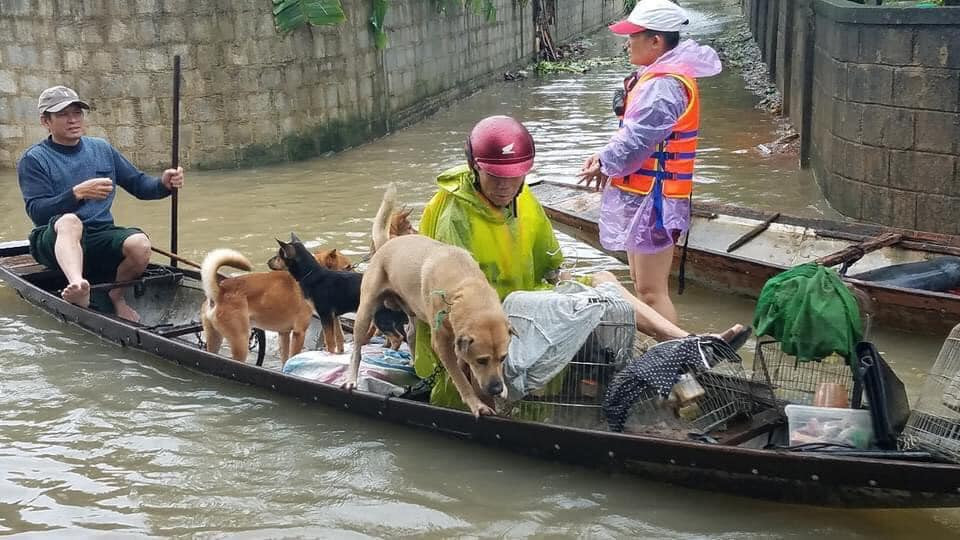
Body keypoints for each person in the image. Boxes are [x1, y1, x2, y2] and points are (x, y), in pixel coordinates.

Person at [415, 115, 744, 411]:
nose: (505, 186)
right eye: (495, 176)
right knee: (578, 302)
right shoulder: (453, 215)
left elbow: (551, 264)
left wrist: (575, 287)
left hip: (530, 298)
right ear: (475, 167)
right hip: (493, 319)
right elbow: (449, 312)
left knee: (602, 280)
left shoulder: (523, 198)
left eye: (514, 177)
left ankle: (684, 341)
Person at [578, 0, 722, 325]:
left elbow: (638, 139)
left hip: (656, 200)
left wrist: (604, 162)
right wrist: (605, 161)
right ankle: (659, 352)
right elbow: (631, 135)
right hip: (645, 196)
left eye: (633, 35)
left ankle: (672, 362)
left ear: (656, 41)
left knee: (652, 293)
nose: (627, 42)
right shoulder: (654, 76)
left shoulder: (664, 85)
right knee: (643, 287)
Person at [16, 86, 185, 322]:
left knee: (140, 244)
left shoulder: (101, 149)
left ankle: (116, 296)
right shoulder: (34, 159)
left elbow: (138, 184)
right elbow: (38, 212)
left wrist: (164, 184)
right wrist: (76, 194)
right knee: (70, 220)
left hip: (99, 235)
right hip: (55, 239)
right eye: (63, 114)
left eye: (77, 113)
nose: (73, 120)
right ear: (46, 121)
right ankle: (78, 286)